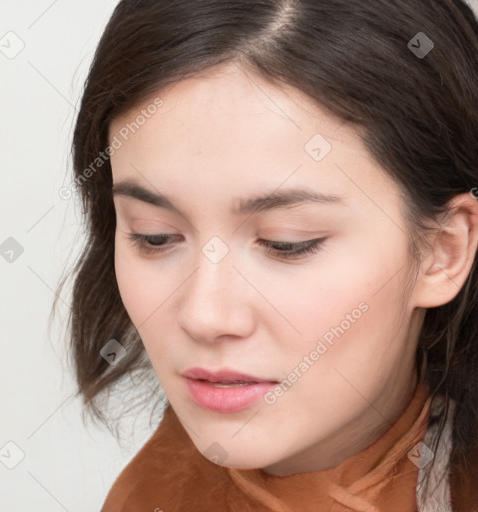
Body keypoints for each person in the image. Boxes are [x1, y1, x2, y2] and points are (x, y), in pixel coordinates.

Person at [54, 0, 478, 510]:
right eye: (155, 236)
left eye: (286, 243)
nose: (204, 316)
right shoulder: (147, 495)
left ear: (443, 251)